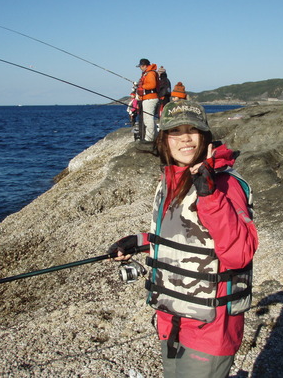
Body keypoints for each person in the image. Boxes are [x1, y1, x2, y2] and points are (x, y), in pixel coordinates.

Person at [108, 100, 259, 378]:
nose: (185, 138)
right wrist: (138, 241)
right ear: (164, 140)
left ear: (205, 137)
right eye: (175, 131)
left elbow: (239, 254)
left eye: (193, 130)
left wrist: (210, 196)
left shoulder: (225, 184)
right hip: (170, 315)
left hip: (211, 327)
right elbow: (182, 236)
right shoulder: (171, 178)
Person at [136, 58, 160, 142]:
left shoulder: (150, 73)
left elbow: (152, 85)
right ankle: (155, 137)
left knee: (148, 119)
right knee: (148, 119)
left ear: (144, 66)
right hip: (148, 98)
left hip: (150, 98)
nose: (140, 68)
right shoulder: (148, 73)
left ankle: (149, 138)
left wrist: (141, 86)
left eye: (140, 66)